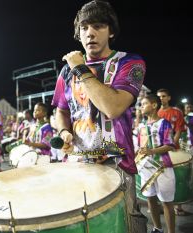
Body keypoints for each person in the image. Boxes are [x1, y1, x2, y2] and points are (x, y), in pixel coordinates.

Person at [51, 0, 146, 231]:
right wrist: (64, 131)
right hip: (78, 162)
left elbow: (112, 107)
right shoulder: (66, 71)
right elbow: (61, 110)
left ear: (111, 31)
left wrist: (80, 68)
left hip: (117, 165)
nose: (90, 33)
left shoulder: (130, 62)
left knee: (123, 225)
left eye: (98, 26)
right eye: (84, 28)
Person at [137, 94, 176, 233]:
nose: (141, 107)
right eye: (140, 104)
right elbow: (140, 147)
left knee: (166, 202)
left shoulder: (164, 123)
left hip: (162, 167)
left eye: (144, 104)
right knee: (150, 199)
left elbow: (170, 145)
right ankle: (157, 228)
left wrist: (151, 151)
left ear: (154, 105)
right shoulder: (141, 125)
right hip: (146, 168)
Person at [156, 88, 186, 216]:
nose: (161, 98)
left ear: (168, 98)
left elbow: (179, 130)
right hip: (159, 150)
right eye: (159, 97)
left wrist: (171, 144)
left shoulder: (176, 112)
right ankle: (161, 205)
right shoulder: (156, 112)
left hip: (173, 148)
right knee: (160, 177)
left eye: (163, 96)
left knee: (176, 177)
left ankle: (178, 205)